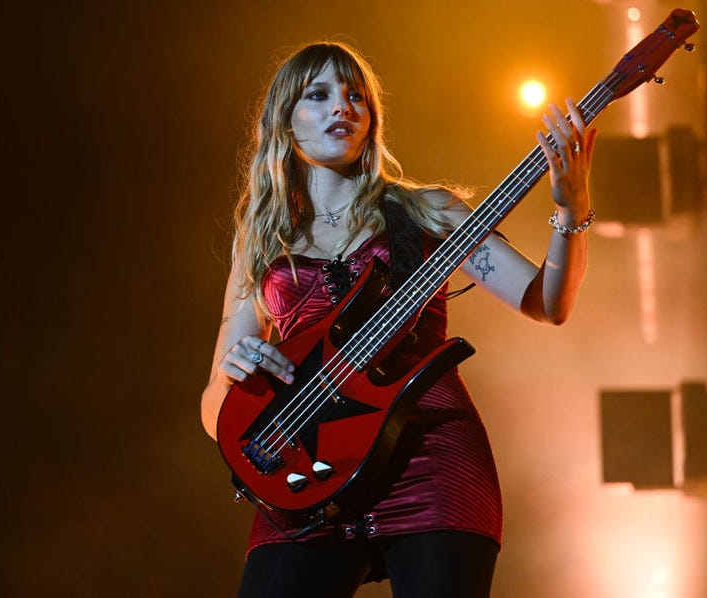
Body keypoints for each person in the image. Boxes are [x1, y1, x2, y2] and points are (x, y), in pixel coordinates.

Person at [201, 41, 597, 598]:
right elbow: (215, 404)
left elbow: (545, 303)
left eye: (356, 95)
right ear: (285, 121)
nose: (343, 106)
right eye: (320, 95)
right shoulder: (264, 239)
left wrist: (570, 211)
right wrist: (234, 377)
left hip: (429, 454)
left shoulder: (426, 211)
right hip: (306, 463)